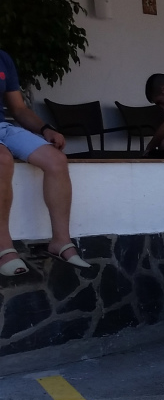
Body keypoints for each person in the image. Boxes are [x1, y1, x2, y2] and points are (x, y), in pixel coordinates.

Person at [0, 50, 90, 277]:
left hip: (3, 127)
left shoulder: (3, 58)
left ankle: (60, 242)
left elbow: (18, 109)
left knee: (56, 160)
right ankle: (3, 247)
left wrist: (45, 129)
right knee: (2, 159)